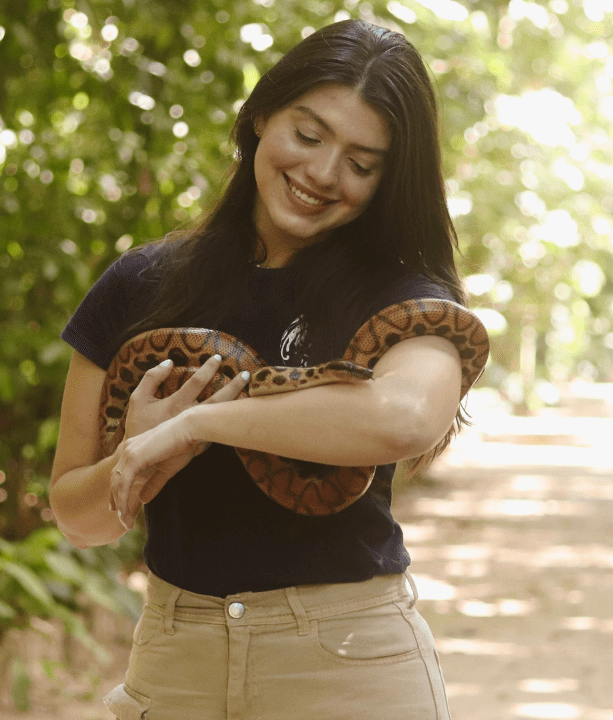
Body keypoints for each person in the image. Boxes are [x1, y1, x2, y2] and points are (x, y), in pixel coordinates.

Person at [49, 20, 468, 720]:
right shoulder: (139, 286)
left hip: (349, 664)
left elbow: (404, 417)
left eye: (362, 164)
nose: (323, 174)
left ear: (389, 181)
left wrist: (196, 425)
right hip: (177, 658)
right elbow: (77, 518)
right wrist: (135, 455)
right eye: (308, 136)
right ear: (260, 117)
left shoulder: (405, 300)